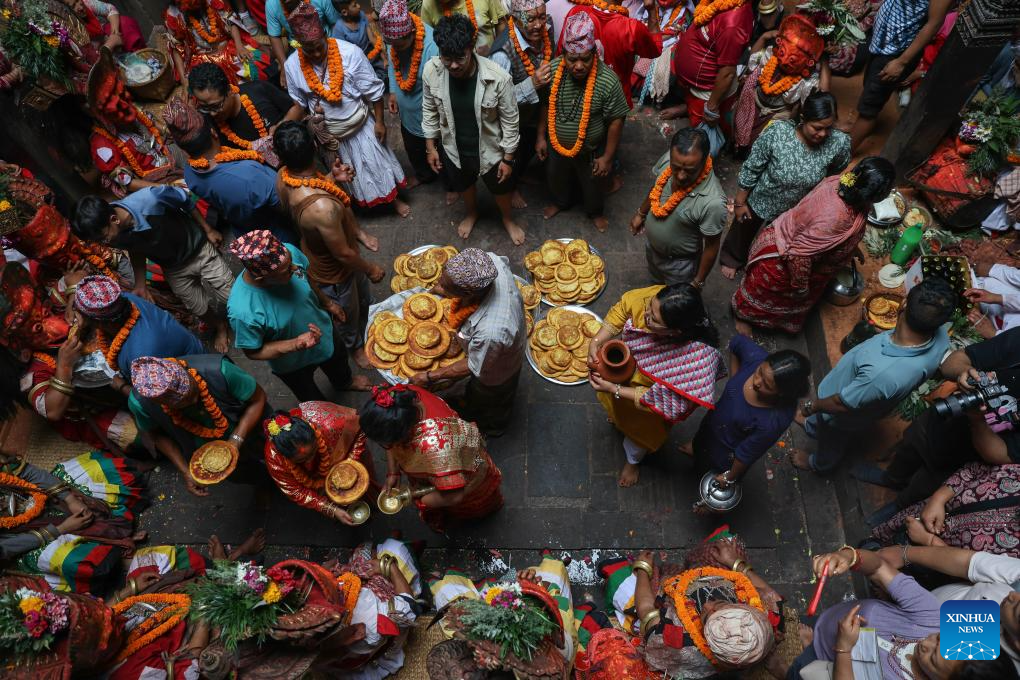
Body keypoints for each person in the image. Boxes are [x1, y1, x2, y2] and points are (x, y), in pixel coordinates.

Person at [790, 275, 957, 474]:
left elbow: (841, 403)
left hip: (841, 412)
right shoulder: (941, 336)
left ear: (903, 303)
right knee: (822, 424)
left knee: (832, 439)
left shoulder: (882, 374)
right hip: (863, 398)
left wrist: (812, 406)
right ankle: (812, 426)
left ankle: (819, 464)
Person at [783, 545, 1016, 680]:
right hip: (825, 627)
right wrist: (849, 557)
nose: (925, 643)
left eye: (933, 658)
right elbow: (879, 567)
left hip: (825, 666)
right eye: (939, 638)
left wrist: (843, 649)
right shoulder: (936, 619)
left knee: (793, 671)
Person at [854, 326, 1020, 515]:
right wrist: (965, 372)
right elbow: (952, 362)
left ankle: (898, 507)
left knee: (921, 488)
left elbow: (1002, 455)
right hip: (940, 418)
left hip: (963, 458)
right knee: (908, 449)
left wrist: (977, 420)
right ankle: (891, 478)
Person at [731, 157, 896, 335]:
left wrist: (850, 249)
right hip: (784, 265)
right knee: (763, 297)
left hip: (803, 257)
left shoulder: (841, 183)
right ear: (874, 195)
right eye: (887, 191)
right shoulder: (836, 218)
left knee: (788, 305)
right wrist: (801, 286)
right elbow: (799, 255)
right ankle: (743, 317)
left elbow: (829, 236)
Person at [588, 283, 724, 487]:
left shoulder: (695, 364)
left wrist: (614, 389)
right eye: (649, 307)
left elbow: (663, 401)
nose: (645, 316)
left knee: (638, 437)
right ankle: (617, 417)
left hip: (647, 411)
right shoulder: (662, 301)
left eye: (654, 319)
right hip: (624, 380)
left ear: (675, 332)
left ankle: (633, 462)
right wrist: (596, 341)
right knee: (617, 411)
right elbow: (625, 307)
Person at [274, 121, 385, 369]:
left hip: (329, 250)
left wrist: (331, 179)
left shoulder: (283, 176)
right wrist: (370, 268)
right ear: (315, 147)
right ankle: (355, 348)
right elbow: (343, 254)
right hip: (335, 272)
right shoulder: (322, 208)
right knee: (346, 313)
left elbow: (309, 189)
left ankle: (366, 317)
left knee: (360, 299)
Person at [284, 2, 412, 216]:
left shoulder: (350, 53)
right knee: (349, 175)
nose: (316, 54)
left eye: (319, 47)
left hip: (361, 127)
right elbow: (300, 103)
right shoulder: (292, 66)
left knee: (378, 165)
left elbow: (373, 91)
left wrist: (380, 122)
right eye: (309, 50)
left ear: (325, 36)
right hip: (332, 138)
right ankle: (360, 203)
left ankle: (394, 200)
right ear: (299, 46)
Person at [71, 187, 234, 354]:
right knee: (198, 307)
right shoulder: (113, 233)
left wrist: (208, 230)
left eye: (102, 238)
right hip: (173, 267)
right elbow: (135, 247)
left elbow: (184, 199)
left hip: (198, 249)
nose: (103, 243)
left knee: (230, 295)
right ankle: (220, 326)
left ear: (114, 219)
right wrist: (140, 284)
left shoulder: (151, 199)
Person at [598, 532, 782, 678]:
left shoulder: (677, 641)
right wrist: (735, 562)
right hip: (711, 578)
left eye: (706, 618)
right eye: (719, 604)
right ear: (749, 609)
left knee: (621, 583)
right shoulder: (763, 622)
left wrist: (643, 569)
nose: (707, 606)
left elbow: (645, 609)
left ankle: (626, 573)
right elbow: (771, 595)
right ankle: (694, 559)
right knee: (727, 542)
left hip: (667, 593)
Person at [227, 230, 373, 401]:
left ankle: (344, 382)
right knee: (310, 395)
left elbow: (307, 277)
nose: (295, 268)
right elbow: (253, 352)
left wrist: (328, 303)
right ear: (261, 278)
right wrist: (295, 344)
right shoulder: (243, 311)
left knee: (338, 362)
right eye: (287, 271)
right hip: (292, 363)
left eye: (291, 263)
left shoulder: (288, 253)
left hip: (324, 331)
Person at [722, 92, 851, 279]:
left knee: (777, 243)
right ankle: (732, 258)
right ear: (803, 118)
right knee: (744, 229)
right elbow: (752, 167)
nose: (823, 134)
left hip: (795, 209)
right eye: (817, 128)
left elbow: (836, 170)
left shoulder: (838, 143)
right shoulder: (778, 133)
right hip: (762, 198)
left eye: (829, 128)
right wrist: (740, 202)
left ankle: (760, 268)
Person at [422, 15, 524, 243]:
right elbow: (429, 109)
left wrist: (508, 160)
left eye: (460, 58)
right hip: (454, 148)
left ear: (472, 47)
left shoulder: (498, 78)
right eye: (447, 58)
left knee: (501, 188)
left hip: (492, 150)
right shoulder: (431, 71)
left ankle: (507, 218)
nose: (453, 65)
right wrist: (431, 147)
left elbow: (510, 123)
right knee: (464, 184)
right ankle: (472, 212)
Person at [409, 248, 527, 436]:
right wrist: (441, 290)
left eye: (445, 286)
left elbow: (474, 365)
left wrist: (430, 376)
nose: (439, 286)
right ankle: (471, 401)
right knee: (474, 393)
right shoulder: (490, 262)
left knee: (491, 399)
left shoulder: (492, 332)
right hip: (490, 346)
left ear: (468, 293)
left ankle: (492, 427)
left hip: (497, 370)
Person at [360, 384, 503, 532]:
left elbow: (454, 496)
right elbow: (391, 442)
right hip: (451, 458)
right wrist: (393, 473)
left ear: (404, 433)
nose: (387, 447)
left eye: (388, 443)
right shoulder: (398, 400)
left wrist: (420, 499)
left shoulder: (437, 449)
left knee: (469, 508)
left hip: (466, 473)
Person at [0, 450, 145, 595]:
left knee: (102, 470)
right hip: (27, 539)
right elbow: (5, 548)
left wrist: (70, 499)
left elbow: (27, 472)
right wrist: (61, 529)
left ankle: (117, 533)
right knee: (73, 561)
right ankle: (118, 550)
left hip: (40, 496)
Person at [536, 12, 631, 233]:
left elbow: (616, 120)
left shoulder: (607, 80)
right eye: (572, 59)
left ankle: (595, 212)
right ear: (563, 54)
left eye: (585, 59)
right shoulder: (552, 71)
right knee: (555, 177)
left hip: (591, 150)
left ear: (594, 54)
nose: (579, 66)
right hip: (556, 147)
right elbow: (545, 105)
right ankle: (560, 203)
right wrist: (541, 137)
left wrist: (607, 157)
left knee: (593, 184)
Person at [127, 355, 269, 496]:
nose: (194, 400)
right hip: (203, 450)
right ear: (161, 404)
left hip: (252, 427)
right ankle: (264, 484)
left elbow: (258, 399)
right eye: (183, 403)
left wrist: (236, 440)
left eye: (193, 392)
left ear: (185, 370)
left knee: (273, 452)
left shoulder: (219, 371)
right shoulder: (141, 405)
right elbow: (157, 435)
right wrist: (185, 471)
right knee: (243, 474)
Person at [163, 98, 297, 245]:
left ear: (183, 149)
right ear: (213, 133)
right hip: (280, 236)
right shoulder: (249, 175)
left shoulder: (190, 174)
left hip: (245, 231)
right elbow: (289, 207)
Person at [873, 544, 1020, 676]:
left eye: (1015, 610)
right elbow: (968, 564)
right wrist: (905, 554)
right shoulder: (1015, 579)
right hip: (915, 597)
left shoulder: (991, 671)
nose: (1012, 594)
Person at [690, 337, 810, 493]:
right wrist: (735, 378)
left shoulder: (774, 421)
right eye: (759, 372)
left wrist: (729, 477)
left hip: (725, 453)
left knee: (708, 467)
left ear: (782, 393)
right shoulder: (756, 357)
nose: (756, 382)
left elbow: (746, 454)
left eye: (767, 385)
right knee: (700, 443)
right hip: (711, 424)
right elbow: (736, 343)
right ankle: (695, 449)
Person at [428, 555, 579, 675]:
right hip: (546, 642)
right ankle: (550, 569)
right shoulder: (542, 667)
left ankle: (502, 587)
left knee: (446, 591)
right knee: (551, 577)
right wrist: (535, 592)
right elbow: (560, 644)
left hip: (492, 621)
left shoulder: (467, 644)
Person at [850, 0, 953, 151]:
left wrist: (901, 62)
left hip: (896, 53)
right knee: (869, 90)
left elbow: (933, 24)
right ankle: (856, 127)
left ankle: (844, 154)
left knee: (869, 108)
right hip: (882, 43)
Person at [630, 127, 727, 286]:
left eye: (690, 171)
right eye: (676, 168)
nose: (681, 176)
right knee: (654, 289)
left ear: (705, 161)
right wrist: (641, 213)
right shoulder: (671, 159)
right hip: (652, 250)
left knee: (674, 299)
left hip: (680, 266)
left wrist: (697, 282)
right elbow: (656, 188)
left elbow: (711, 246)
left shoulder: (713, 202)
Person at [870, 461, 1020, 558]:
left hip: (925, 557)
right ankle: (874, 539)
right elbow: (973, 470)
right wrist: (938, 499)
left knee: (879, 567)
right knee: (883, 534)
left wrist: (930, 541)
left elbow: (975, 575)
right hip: (921, 512)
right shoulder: (1016, 474)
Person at [71, 275, 205, 379]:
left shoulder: (139, 358)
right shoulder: (125, 299)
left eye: (76, 310)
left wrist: (120, 386)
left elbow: (154, 397)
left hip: (193, 373)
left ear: (99, 322)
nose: (74, 313)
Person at [489, 0, 554, 209]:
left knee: (528, 148)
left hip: (535, 114)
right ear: (515, 20)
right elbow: (495, 102)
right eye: (531, 19)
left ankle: (520, 174)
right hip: (509, 123)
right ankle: (510, 188)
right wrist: (532, 83)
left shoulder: (547, 27)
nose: (539, 25)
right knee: (510, 155)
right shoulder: (502, 54)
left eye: (541, 17)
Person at [87, 49, 178, 197]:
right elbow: (128, 183)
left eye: (121, 94)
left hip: (170, 157)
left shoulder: (129, 109)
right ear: (98, 112)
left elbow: (158, 128)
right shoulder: (101, 144)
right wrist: (167, 188)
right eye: (112, 100)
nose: (124, 102)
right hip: (154, 183)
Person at [731, 14, 827, 153]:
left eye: (793, 60)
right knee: (737, 136)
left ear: (808, 63)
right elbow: (752, 60)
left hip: (777, 117)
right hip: (752, 105)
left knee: (761, 149)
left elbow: (823, 93)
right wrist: (764, 36)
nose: (786, 61)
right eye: (783, 53)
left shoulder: (804, 82)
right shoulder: (770, 57)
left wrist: (825, 61)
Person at [262, 403, 369, 525]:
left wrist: (349, 465)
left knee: (361, 485)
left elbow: (359, 429)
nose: (309, 461)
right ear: (287, 457)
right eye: (302, 460)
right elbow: (295, 491)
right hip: (312, 483)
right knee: (336, 502)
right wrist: (330, 509)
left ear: (315, 436)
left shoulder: (329, 421)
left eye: (313, 451)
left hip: (342, 457)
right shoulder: (275, 458)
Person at [187, 62, 305, 167]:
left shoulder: (258, 90)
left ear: (229, 91)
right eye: (205, 107)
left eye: (216, 106)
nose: (212, 113)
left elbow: (297, 109)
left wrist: (280, 128)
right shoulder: (206, 123)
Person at [380, 0, 442, 189]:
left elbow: (440, 92)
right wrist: (393, 91)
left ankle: (452, 186)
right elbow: (392, 63)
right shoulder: (394, 39)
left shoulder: (433, 47)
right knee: (414, 150)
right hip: (407, 116)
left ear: (412, 33)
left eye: (399, 46)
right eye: (391, 44)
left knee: (442, 153)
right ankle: (424, 176)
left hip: (432, 115)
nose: (394, 49)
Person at [558, 0, 662, 109]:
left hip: (575, 100)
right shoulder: (632, 27)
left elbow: (560, 53)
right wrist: (651, 10)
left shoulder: (577, 12)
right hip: (614, 105)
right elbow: (655, 50)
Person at [670, 0, 753, 130]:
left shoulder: (732, 23)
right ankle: (687, 109)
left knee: (701, 135)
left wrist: (711, 108)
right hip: (696, 86)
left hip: (707, 94)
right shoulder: (718, 3)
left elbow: (727, 73)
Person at [164, 0, 273, 89]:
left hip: (229, 49)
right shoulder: (173, 15)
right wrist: (184, 81)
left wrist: (240, 46)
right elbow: (176, 48)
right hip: (203, 62)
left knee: (258, 67)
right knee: (210, 92)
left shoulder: (213, 1)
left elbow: (231, 21)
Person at [265, 0, 340, 85]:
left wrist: (335, 50)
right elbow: (274, 36)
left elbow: (335, 23)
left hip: (325, 43)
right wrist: (284, 66)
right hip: (299, 49)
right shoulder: (272, 4)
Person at [420, 0, 507, 55]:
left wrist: (496, 52)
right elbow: (428, 41)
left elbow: (501, 24)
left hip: (489, 62)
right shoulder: (428, 4)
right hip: (451, 69)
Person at [331, 0, 387, 84]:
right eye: (354, 5)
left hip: (370, 55)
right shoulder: (339, 29)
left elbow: (372, 39)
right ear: (344, 12)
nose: (359, 6)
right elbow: (344, 57)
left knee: (385, 71)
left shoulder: (361, 15)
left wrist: (384, 58)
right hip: (355, 64)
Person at [965, 258, 1020, 337]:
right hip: (978, 284)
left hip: (994, 332)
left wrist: (993, 334)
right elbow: (1013, 276)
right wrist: (992, 269)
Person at [66, 0, 146, 52]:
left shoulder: (87, 3)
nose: (80, 7)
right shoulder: (71, 29)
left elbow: (110, 9)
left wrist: (114, 32)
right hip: (98, 52)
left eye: (77, 0)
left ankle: (141, 54)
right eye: (73, 6)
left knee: (124, 23)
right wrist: (110, 44)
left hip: (106, 35)